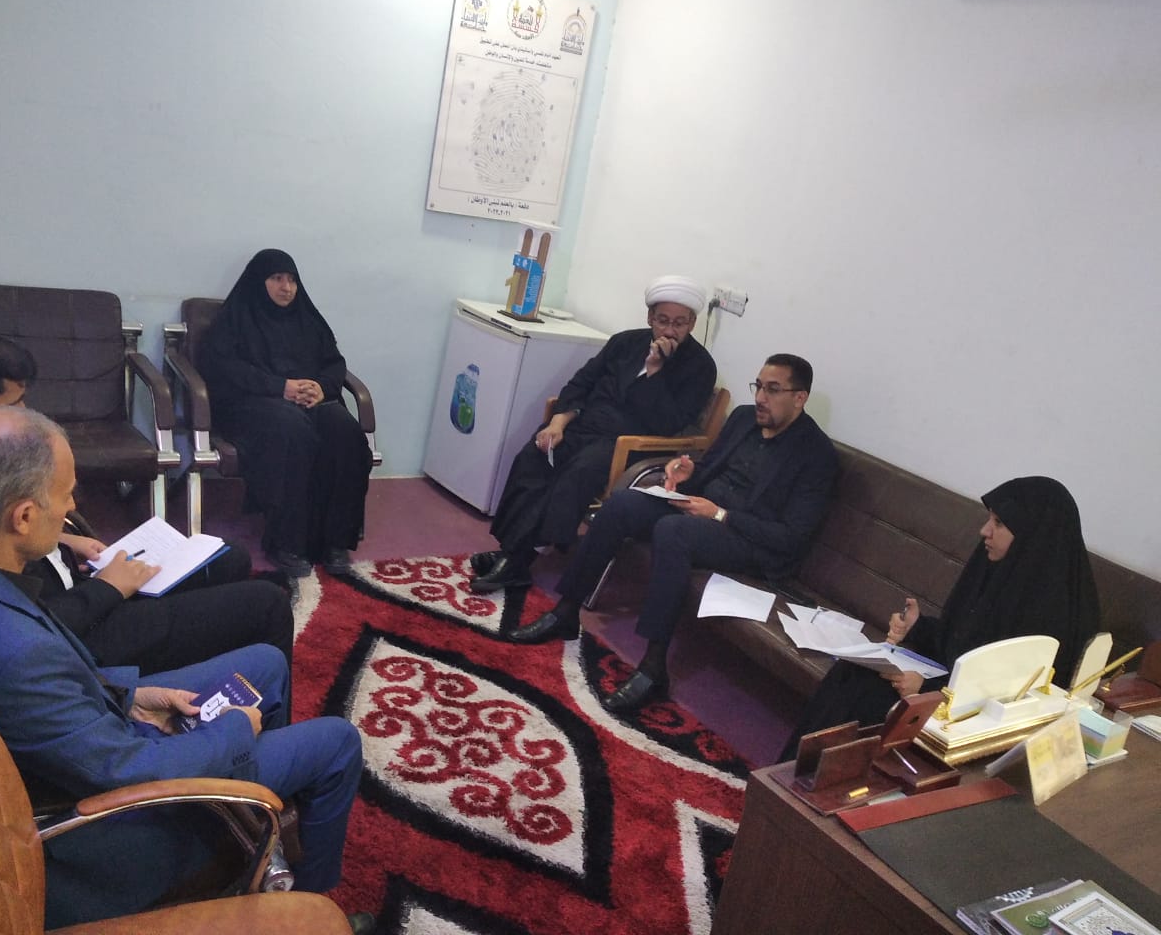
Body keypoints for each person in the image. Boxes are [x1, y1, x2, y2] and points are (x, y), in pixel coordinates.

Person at [0, 407, 369, 931]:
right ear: (22, 517)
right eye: (65, 494)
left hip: (77, 736)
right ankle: (303, 897)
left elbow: (32, 700)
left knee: (265, 664)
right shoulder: (18, 654)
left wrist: (131, 695)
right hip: (108, 818)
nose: (72, 506)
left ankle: (251, 832)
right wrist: (232, 733)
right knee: (336, 743)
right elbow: (126, 768)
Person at [0, 327, 294, 675]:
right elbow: (13, 623)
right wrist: (108, 588)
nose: (27, 411)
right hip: (73, 633)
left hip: (77, 588)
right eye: (15, 404)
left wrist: (63, 539)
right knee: (267, 605)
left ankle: (209, 670)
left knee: (228, 557)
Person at [508, 354, 838, 714]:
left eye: (772, 390)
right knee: (622, 504)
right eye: (758, 386)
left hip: (748, 540)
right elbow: (708, 469)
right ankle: (566, 611)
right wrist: (685, 473)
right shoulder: (744, 418)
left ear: (799, 398)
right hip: (702, 511)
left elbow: (790, 538)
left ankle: (653, 666)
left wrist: (720, 514)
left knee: (673, 531)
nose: (760, 397)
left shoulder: (816, 455)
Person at [779, 475, 1101, 761]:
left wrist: (931, 688)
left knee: (863, 700)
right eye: (989, 519)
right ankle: (788, 772)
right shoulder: (996, 569)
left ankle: (812, 786)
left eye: (999, 523)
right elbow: (964, 640)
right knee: (850, 673)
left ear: (1032, 535)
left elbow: (1015, 691)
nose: (985, 531)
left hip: (972, 719)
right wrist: (917, 627)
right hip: (948, 689)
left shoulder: (1051, 607)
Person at [468, 275, 718, 594]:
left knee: (579, 471)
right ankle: (512, 550)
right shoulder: (625, 343)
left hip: (632, 444)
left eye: (680, 323)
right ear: (650, 318)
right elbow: (582, 383)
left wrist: (655, 373)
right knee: (534, 455)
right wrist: (558, 422)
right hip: (586, 426)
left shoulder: (700, 367)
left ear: (692, 323)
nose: (670, 330)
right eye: (663, 321)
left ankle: (518, 560)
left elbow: (669, 423)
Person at [201, 248, 372, 578]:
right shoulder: (236, 319)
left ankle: (335, 541)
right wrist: (280, 387)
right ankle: (286, 542)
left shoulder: (308, 320)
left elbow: (334, 363)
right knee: (290, 430)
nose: (287, 287)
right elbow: (223, 368)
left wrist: (321, 387)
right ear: (259, 281)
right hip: (252, 405)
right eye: (277, 279)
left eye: (292, 280)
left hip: (309, 403)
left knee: (345, 432)